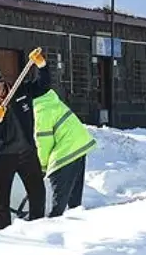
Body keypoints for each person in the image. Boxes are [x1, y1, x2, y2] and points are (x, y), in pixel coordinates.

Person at [0, 48, 49, 230]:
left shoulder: (20, 90)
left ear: (2, 83)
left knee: (37, 193)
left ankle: (38, 227)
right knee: (1, 200)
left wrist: (41, 66)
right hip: (2, 156)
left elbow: (43, 86)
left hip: (26, 151)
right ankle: (2, 233)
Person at [32, 71, 97, 217]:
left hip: (66, 149)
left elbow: (44, 141)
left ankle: (55, 224)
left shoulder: (41, 110)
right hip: (79, 145)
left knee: (59, 198)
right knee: (74, 198)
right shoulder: (50, 101)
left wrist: (42, 166)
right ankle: (75, 218)